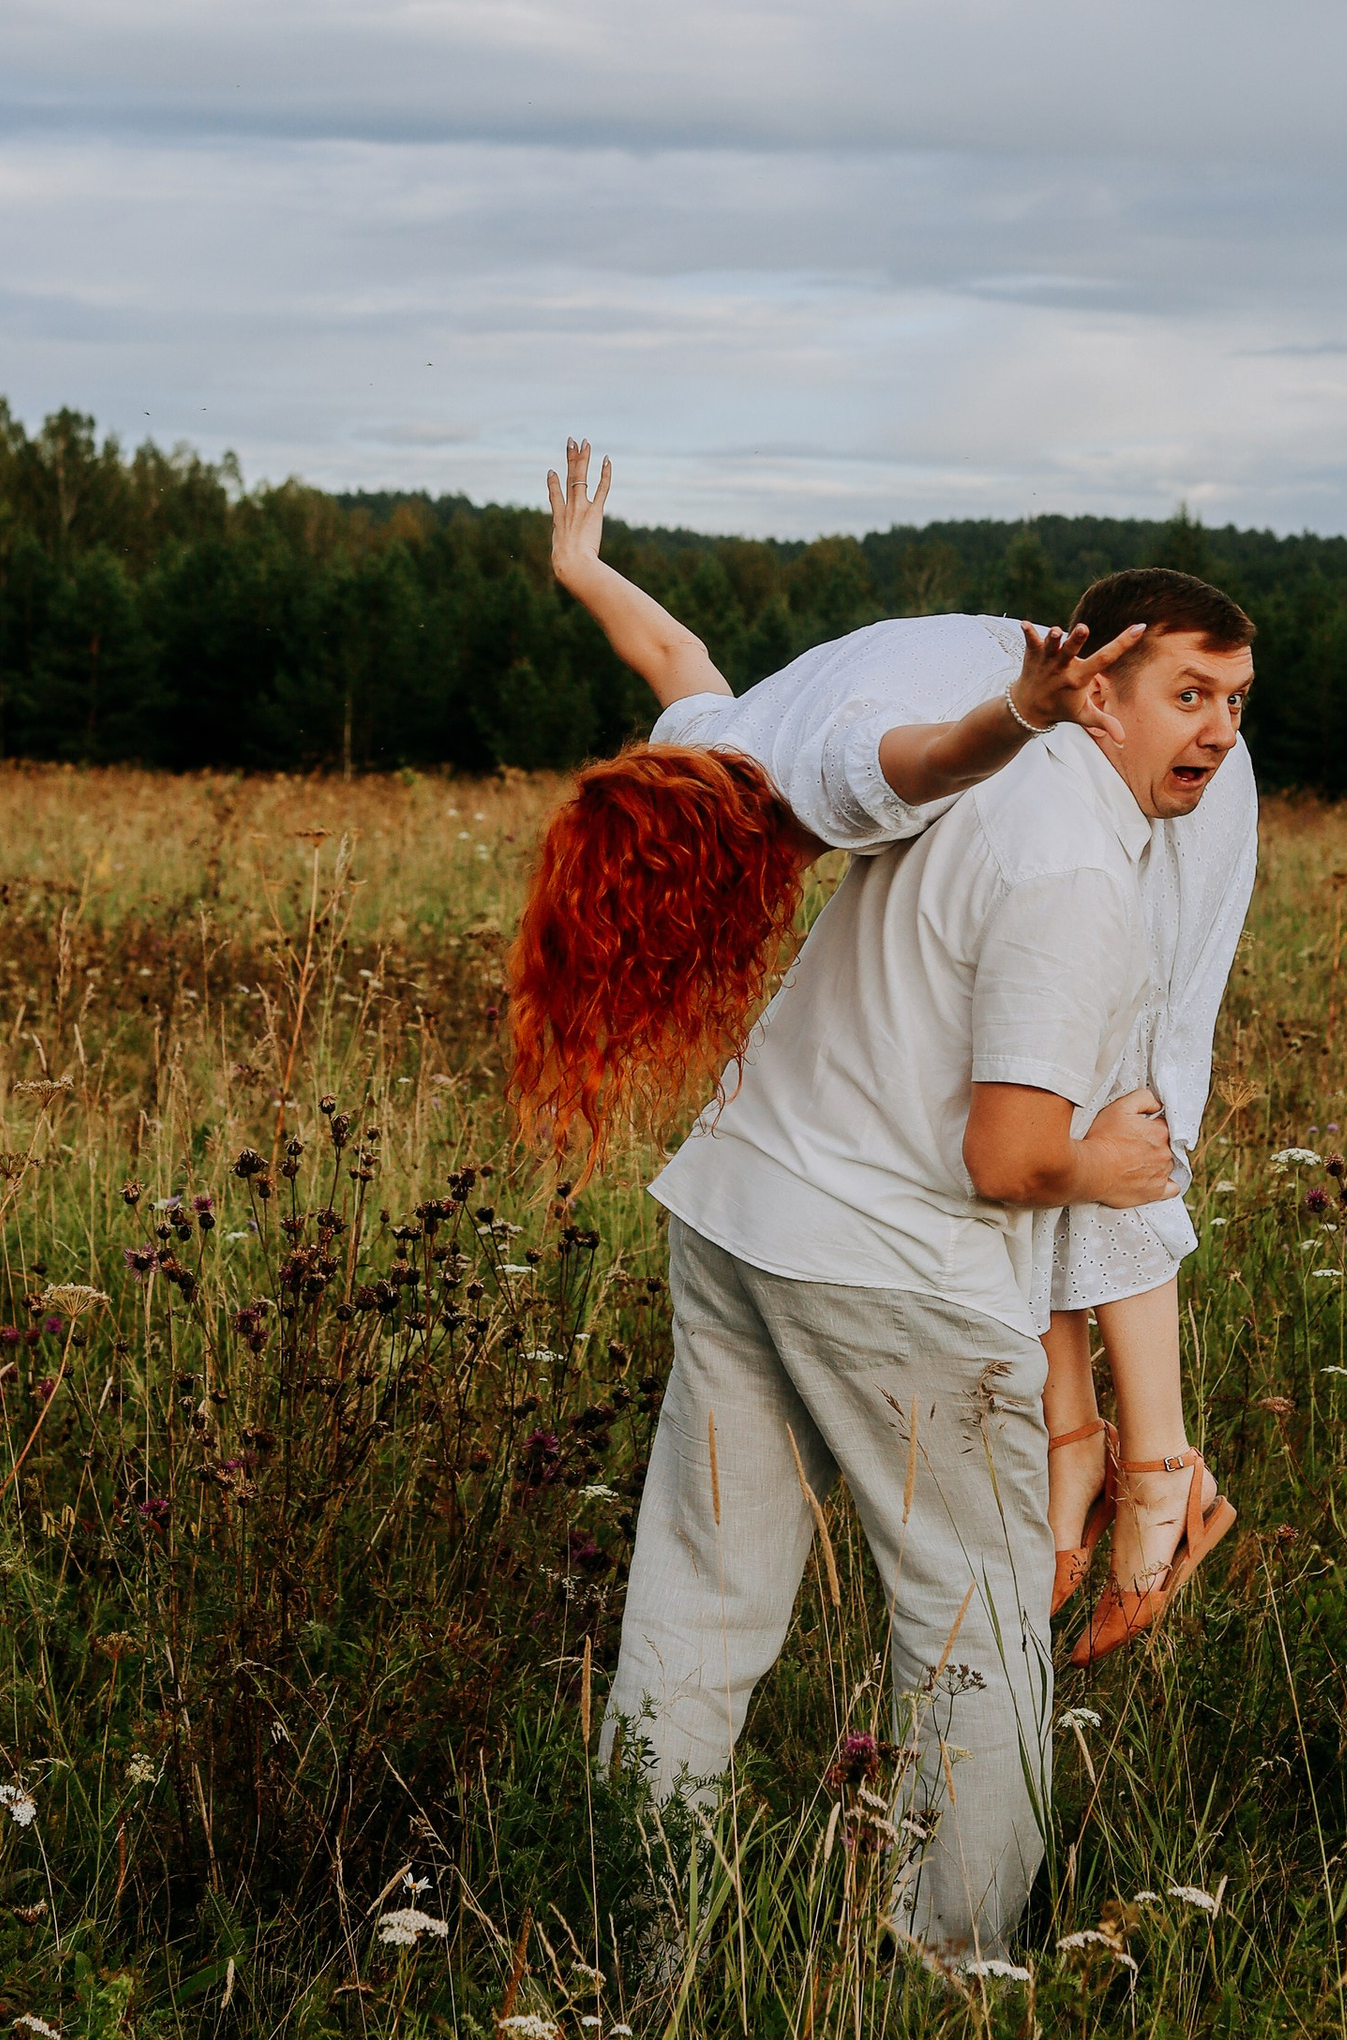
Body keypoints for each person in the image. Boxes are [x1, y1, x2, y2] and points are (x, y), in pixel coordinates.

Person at [517, 442, 1256, 1662]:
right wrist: (585, 570)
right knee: (1048, 1097)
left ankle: (1157, 1467)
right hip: (1089, 696)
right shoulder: (723, 741)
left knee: (1130, 1101)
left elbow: (931, 760)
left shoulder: (815, 775)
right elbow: (674, 658)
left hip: (1110, 729)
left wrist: (1023, 710)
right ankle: (1078, 1447)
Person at [595, 601, 1232, 1953]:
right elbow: (1006, 1159)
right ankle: (950, 1980)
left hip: (736, 1212)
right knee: (979, 1631)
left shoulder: (986, 785)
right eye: (1189, 697)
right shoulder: (1074, 874)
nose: (1221, 734)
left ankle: (640, 1942)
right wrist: (1106, 1167)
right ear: (1096, 694)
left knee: (700, 1591)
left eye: (1238, 703)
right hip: (889, 1273)